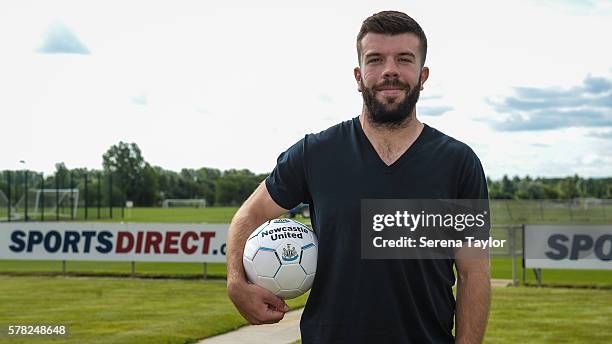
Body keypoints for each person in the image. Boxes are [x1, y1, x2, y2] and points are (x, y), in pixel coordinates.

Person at [227, 10, 490, 343]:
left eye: (404, 59)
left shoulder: (458, 163)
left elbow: (473, 272)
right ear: (358, 74)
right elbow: (250, 214)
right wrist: (237, 282)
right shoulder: (314, 153)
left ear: (423, 76)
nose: (390, 70)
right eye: (376, 59)